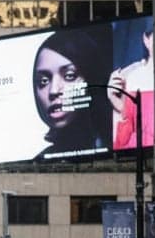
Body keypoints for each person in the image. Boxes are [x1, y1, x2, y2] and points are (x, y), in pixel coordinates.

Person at [32, 27, 113, 159]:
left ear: (92, 78)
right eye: (43, 81)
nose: (53, 91)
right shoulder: (42, 160)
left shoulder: (117, 144)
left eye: (69, 76)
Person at [109, 23, 154, 151]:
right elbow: (127, 117)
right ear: (146, 39)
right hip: (140, 144)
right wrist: (112, 98)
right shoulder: (132, 76)